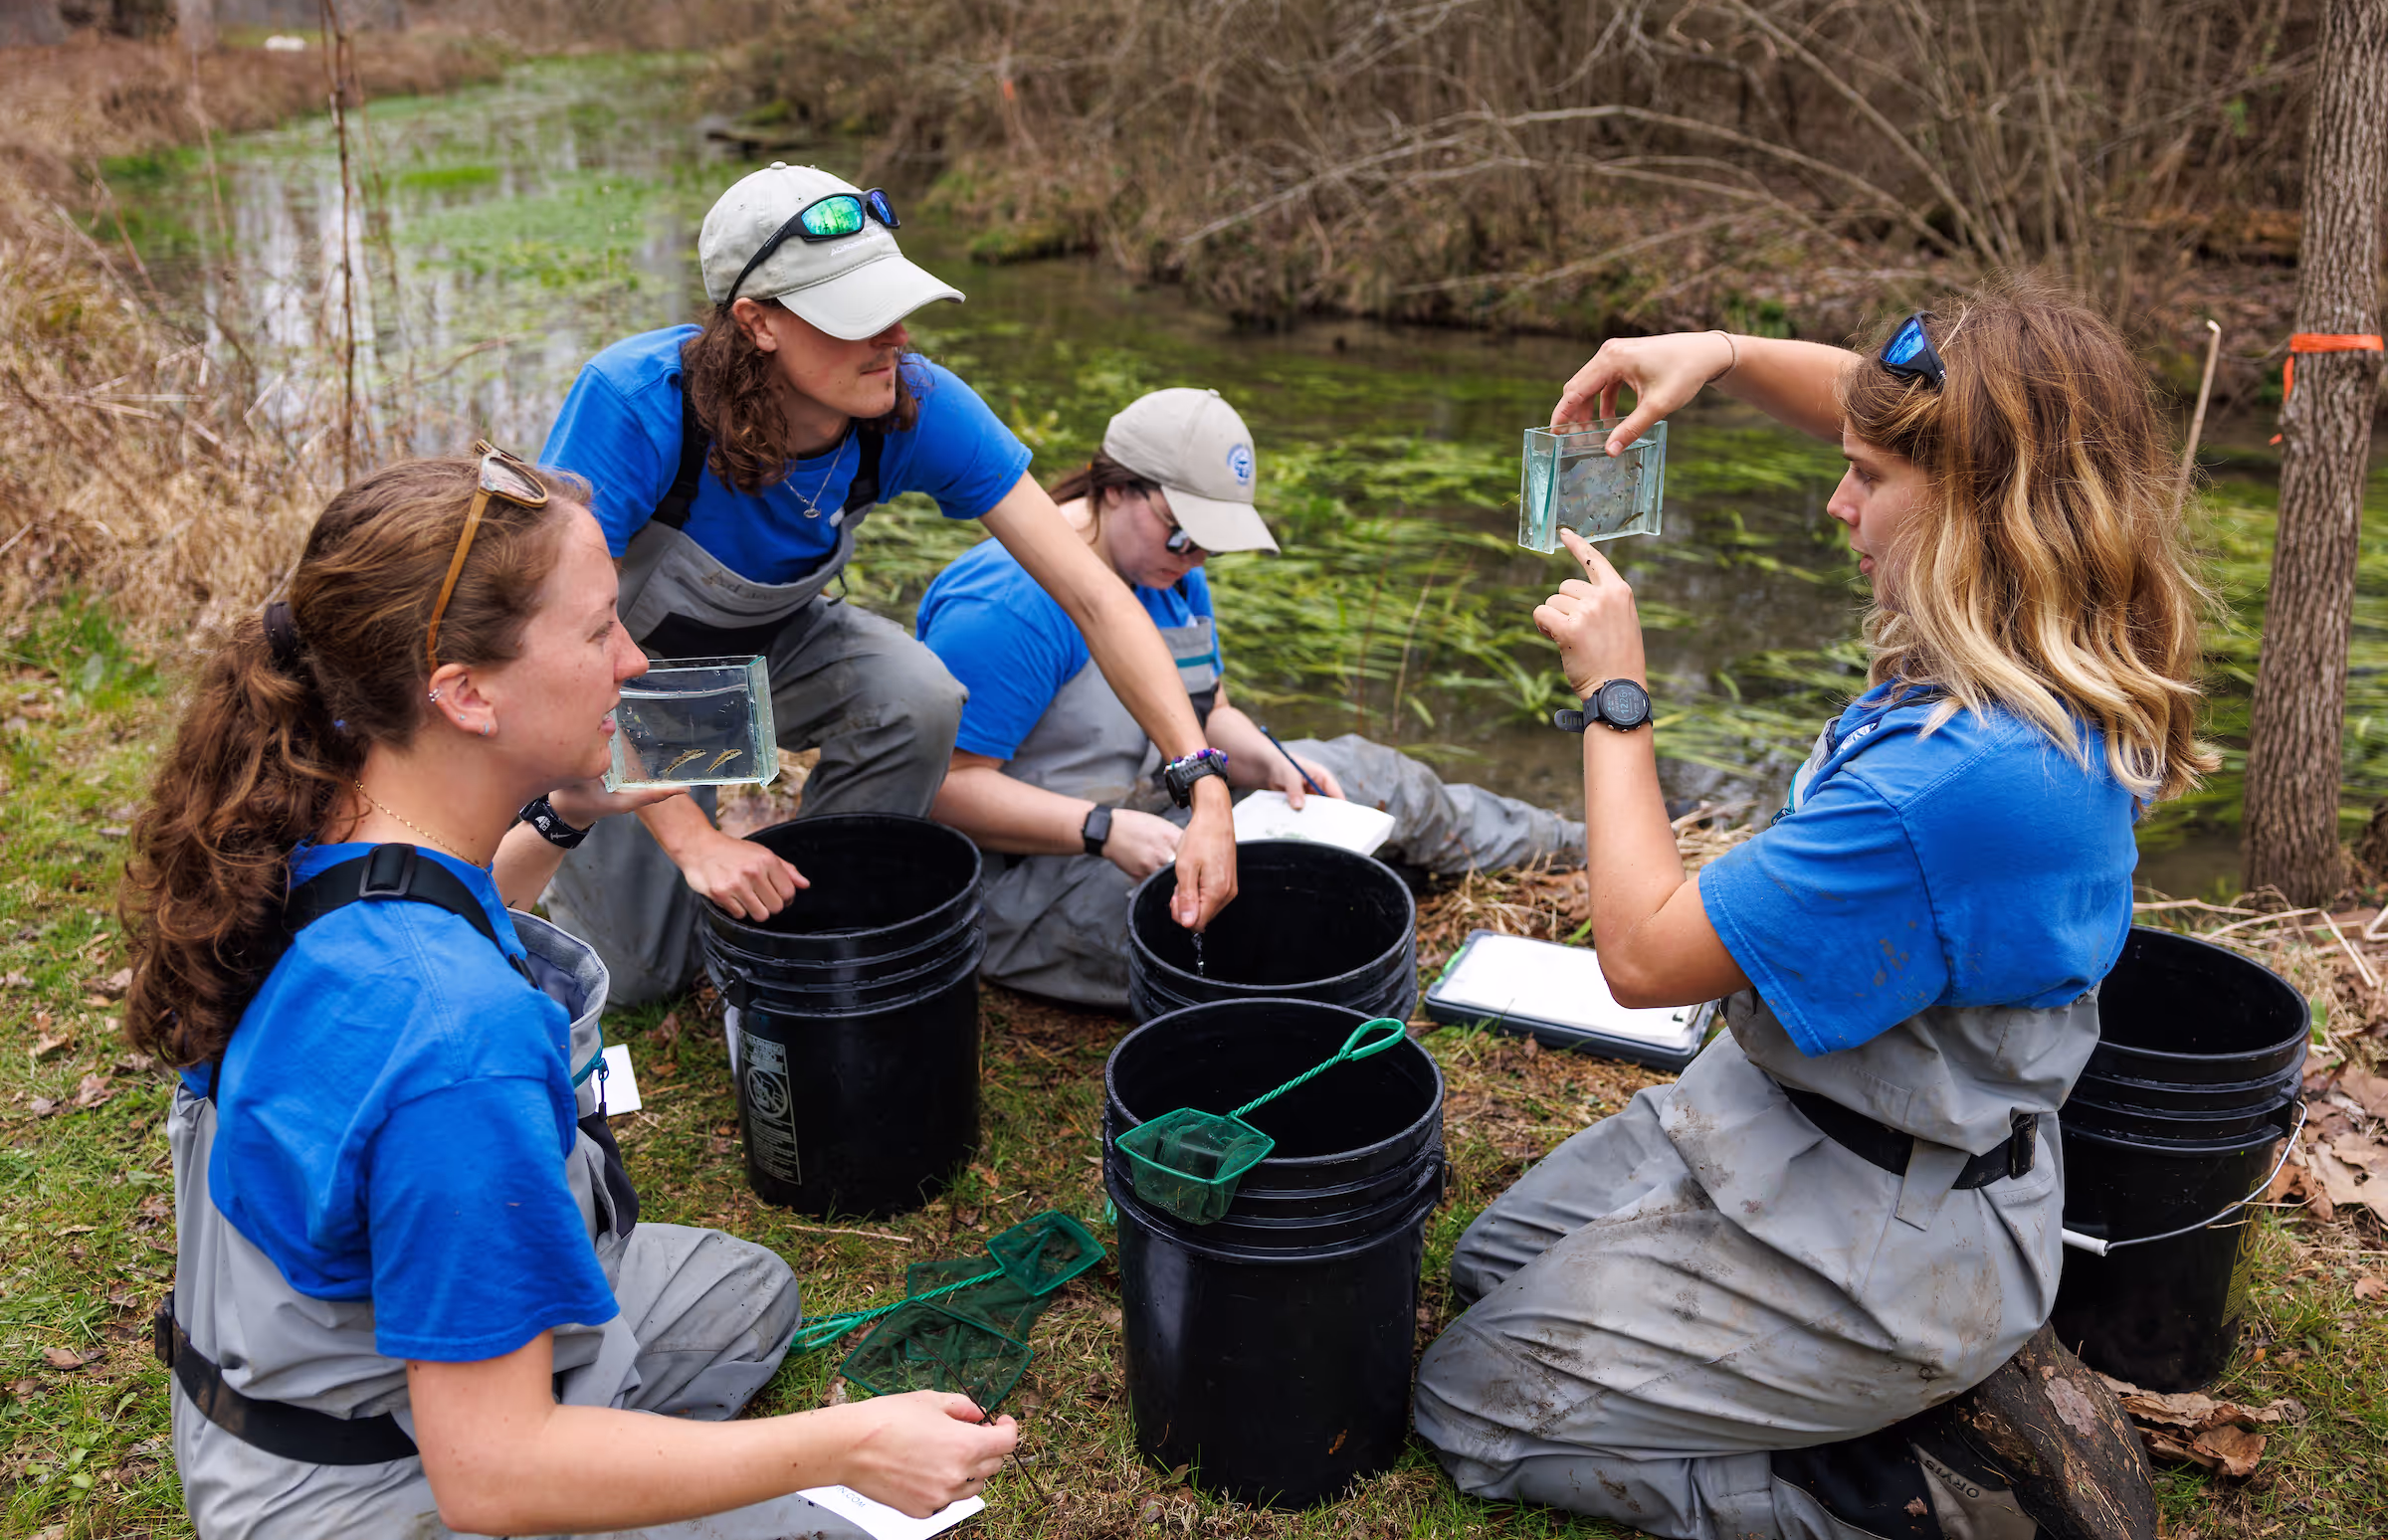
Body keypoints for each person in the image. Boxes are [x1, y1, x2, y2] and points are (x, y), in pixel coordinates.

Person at [1413, 295, 2206, 1540]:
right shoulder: (2062, 637)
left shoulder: (1954, 783)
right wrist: (1715, 356)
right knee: (1486, 1269)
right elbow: (1874, 394)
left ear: (1979, 507)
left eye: (1867, 478)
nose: (1837, 504)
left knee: (1467, 1404)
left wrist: (1618, 695)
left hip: (1886, 1227)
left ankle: (1909, 1498)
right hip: (1798, 1118)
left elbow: (1639, 954)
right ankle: (1865, 1385)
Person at [119, 452, 1016, 1539]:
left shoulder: (308, 823)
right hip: (360, 1492)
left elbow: (429, 917)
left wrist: (566, 812)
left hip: (267, 1390)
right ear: (464, 692)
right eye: (599, 632)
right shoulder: (455, 1037)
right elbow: (492, 1477)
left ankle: (596, 1426)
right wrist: (848, 1444)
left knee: (743, 1295)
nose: (635, 660)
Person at [538, 163, 1235, 1007]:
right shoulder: (636, 402)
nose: (896, 336)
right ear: (757, 322)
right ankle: (549, 825)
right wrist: (689, 833)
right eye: (856, 317)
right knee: (642, 974)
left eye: (896, 304)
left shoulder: (911, 402)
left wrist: (1201, 783)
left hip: (774, 647)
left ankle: (819, 894)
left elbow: (1094, 595)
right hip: (625, 668)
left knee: (917, 693)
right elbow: (554, 643)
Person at [916, 387, 1586, 1009]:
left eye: (1212, 542)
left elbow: (1211, 712)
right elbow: (944, 791)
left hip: (1160, 809)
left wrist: (1266, 763)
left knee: (1375, 776)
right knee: (1259, 912)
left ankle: (1574, 845)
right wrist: (1103, 830)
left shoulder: (1170, 573)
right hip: (1037, 875)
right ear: (1115, 486)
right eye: (1183, 533)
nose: (1195, 557)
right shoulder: (1006, 606)